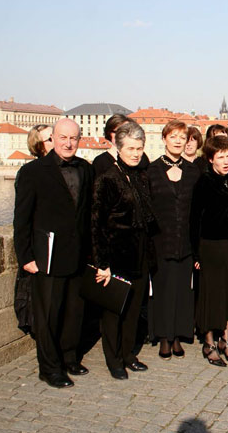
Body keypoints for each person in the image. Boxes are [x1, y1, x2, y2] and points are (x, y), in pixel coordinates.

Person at [13, 119, 93, 388]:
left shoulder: (85, 169)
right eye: (63, 138)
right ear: (53, 139)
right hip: (46, 255)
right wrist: (25, 258)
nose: (69, 143)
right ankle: (49, 368)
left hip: (78, 253)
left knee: (74, 312)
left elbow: (87, 214)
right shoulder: (32, 172)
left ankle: (69, 357)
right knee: (47, 316)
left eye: (74, 138)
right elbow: (21, 219)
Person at [92, 122, 155, 380]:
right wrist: (102, 263)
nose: (135, 153)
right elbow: (96, 225)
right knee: (114, 311)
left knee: (133, 310)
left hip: (139, 253)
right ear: (118, 148)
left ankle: (129, 354)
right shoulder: (107, 179)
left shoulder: (141, 175)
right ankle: (114, 359)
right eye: (130, 148)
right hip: (116, 254)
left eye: (139, 148)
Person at [146, 120, 199, 360]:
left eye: (182, 137)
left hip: (186, 241)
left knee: (181, 290)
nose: (178, 141)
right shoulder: (152, 170)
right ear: (164, 139)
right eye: (173, 136)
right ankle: (164, 337)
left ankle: (178, 335)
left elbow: (198, 212)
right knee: (163, 290)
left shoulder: (193, 172)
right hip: (161, 241)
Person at [190, 135, 228, 366]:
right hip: (209, 246)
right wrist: (196, 254)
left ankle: (225, 340)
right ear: (211, 158)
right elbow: (194, 220)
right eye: (220, 157)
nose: (225, 161)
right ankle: (209, 342)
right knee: (212, 296)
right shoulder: (204, 181)